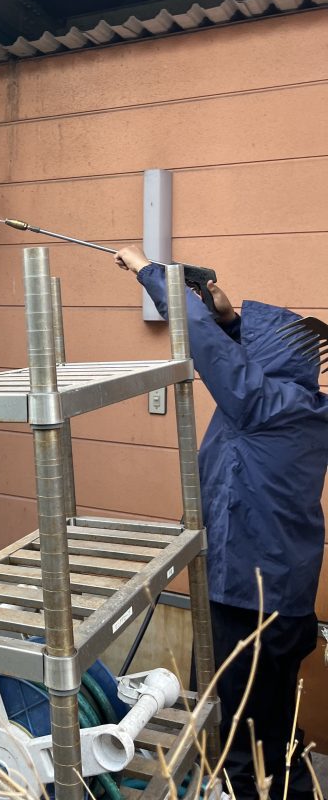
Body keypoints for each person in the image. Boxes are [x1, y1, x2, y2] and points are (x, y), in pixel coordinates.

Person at [114, 245, 327, 800]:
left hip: (246, 600)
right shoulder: (301, 405)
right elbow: (233, 357)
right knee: (273, 723)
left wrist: (148, 271)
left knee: (235, 736)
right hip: (286, 596)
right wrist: (232, 319)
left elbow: (208, 347)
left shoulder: (260, 404)